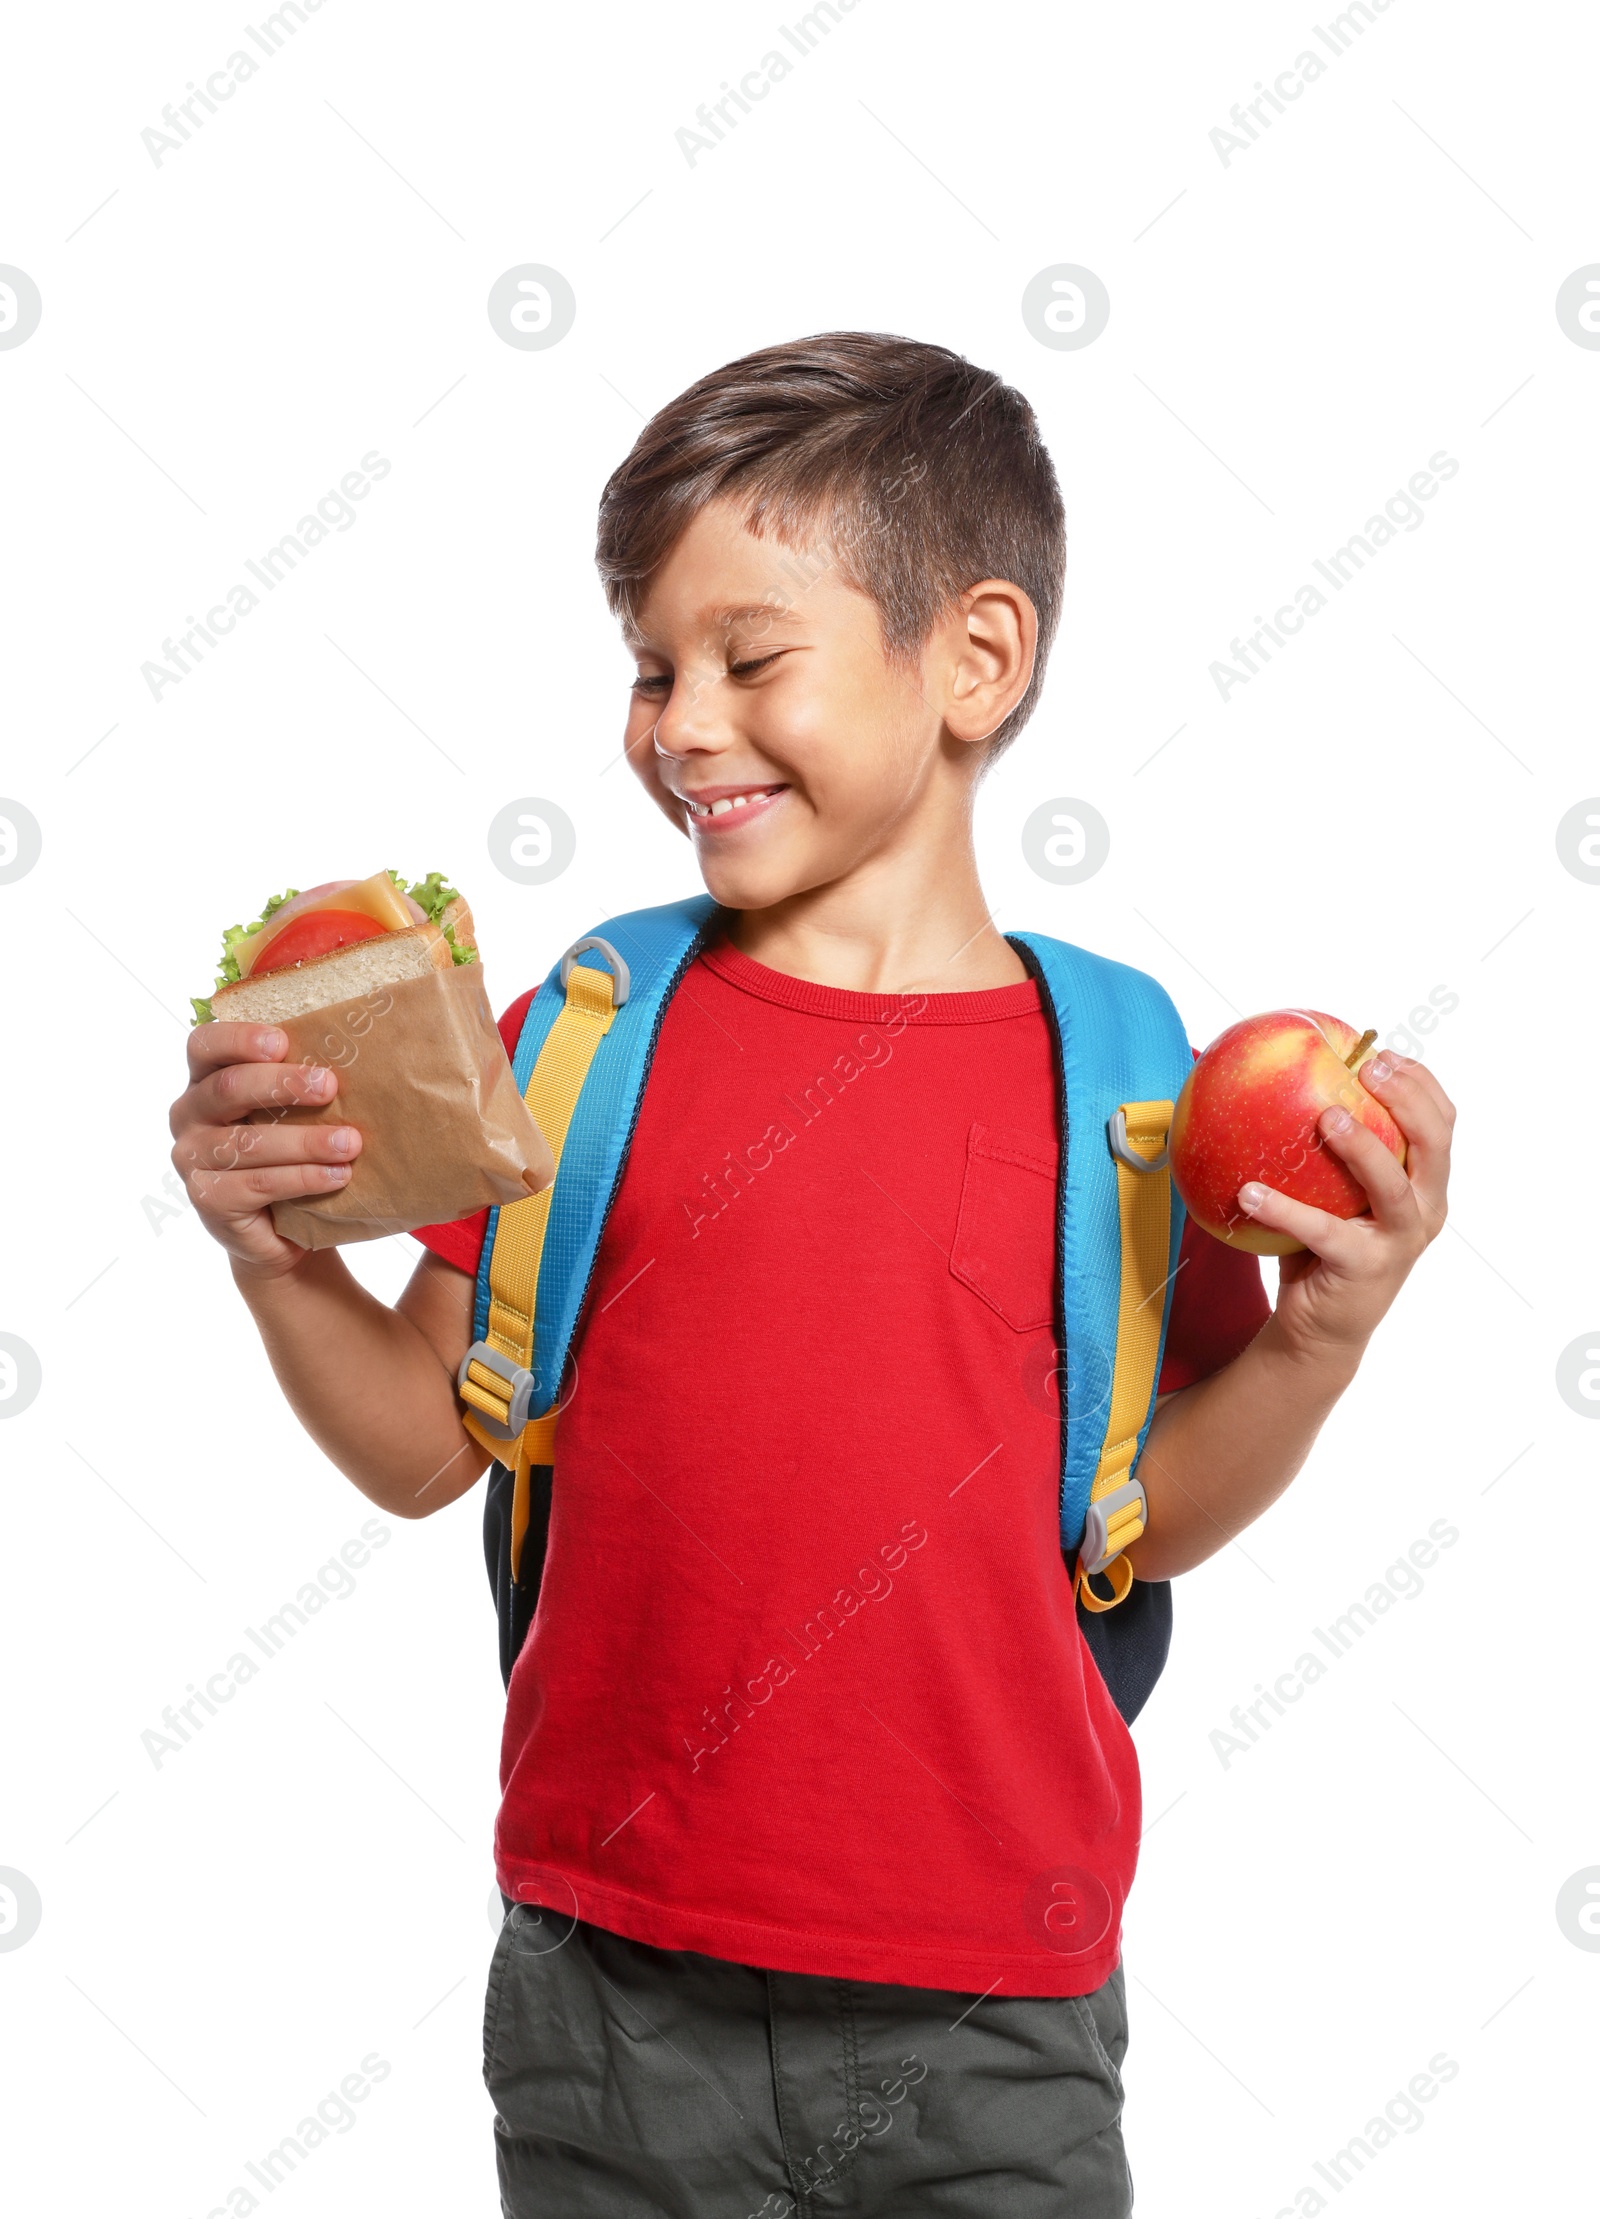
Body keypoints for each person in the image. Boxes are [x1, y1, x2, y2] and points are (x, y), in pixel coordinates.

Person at [168, 333, 1455, 2217]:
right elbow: (431, 1449)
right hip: (610, 1991)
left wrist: (1325, 1338)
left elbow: (1147, 1516)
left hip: (990, 2012)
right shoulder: (580, 1037)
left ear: (975, 659)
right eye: (649, 670)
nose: (680, 723)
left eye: (748, 659)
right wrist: (273, 1261)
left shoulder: (1124, 1085)